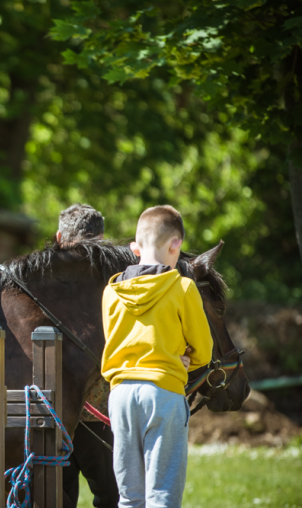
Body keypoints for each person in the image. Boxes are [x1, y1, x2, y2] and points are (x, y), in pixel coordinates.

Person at [102, 205, 212, 507]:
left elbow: (116, 341)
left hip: (121, 395)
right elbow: (204, 348)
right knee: (162, 495)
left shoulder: (111, 291)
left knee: (129, 496)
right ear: (175, 245)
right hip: (162, 394)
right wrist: (184, 356)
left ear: (134, 248)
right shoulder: (183, 287)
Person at [56, 204, 120, 508]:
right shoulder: (118, 281)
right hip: (92, 413)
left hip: (64, 414)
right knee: (113, 497)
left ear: (58, 238)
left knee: (61, 499)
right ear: (103, 239)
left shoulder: (38, 284)